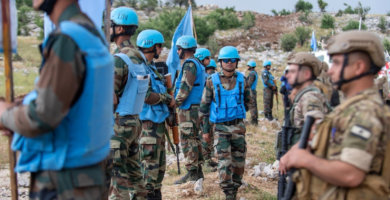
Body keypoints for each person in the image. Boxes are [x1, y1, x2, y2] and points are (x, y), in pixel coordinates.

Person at [0, 0, 113, 199]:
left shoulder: (66, 39)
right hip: (85, 177)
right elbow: (73, 100)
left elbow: (41, 117)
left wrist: (4, 113)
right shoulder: (90, 32)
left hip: (64, 182)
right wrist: (17, 111)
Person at [280, 30, 390, 200]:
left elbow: (351, 174)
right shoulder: (350, 109)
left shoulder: (365, 112)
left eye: (337, 63)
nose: (330, 72)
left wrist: (305, 160)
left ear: (358, 67)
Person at [199, 46, 254, 200]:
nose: (229, 63)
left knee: (239, 161)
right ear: (220, 62)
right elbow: (204, 109)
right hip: (220, 128)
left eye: (232, 60)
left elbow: (249, 102)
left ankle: (235, 190)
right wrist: (205, 132)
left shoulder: (243, 80)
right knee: (224, 161)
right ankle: (228, 193)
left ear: (237, 62)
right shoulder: (211, 81)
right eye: (226, 60)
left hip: (238, 127)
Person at [110, 7, 148, 200]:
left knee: (117, 177)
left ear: (118, 29)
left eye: (110, 25)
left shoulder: (119, 59)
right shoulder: (138, 55)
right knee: (135, 172)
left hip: (118, 125)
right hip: (134, 122)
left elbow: (111, 98)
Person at [136, 30, 173, 200]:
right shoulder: (140, 67)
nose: (162, 49)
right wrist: (166, 98)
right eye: (160, 45)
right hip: (147, 125)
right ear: (151, 46)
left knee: (158, 171)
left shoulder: (152, 68)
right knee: (148, 172)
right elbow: (146, 96)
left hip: (158, 125)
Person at [173, 36, 205, 184]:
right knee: (194, 139)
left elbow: (185, 89)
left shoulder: (190, 64)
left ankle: (192, 173)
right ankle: (197, 172)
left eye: (179, 48)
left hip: (188, 108)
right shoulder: (197, 63)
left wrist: (173, 103)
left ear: (184, 49)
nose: (177, 51)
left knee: (188, 140)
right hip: (194, 107)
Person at [283, 52, 330, 149]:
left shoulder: (309, 98)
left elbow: (316, 133)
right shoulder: (301, 95)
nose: (287, 76)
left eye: (292, 72)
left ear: (306, 74)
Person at [194, 48, 218, 171]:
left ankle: (208, 158)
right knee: (205, 133)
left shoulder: (205, 75)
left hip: (206, 108)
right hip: (203, 108)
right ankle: (205, 159)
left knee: (207, 133)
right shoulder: (202, 75)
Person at [246, 60, 259, 125]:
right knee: (254, 105)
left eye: (248, 66)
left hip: (251, 91)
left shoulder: (251, 74)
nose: (247, 67)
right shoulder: (255, 73)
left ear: (251, 66)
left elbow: (249, 83)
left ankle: (253, 120)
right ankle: (255, 119)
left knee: (252, 105)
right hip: (254, 91)